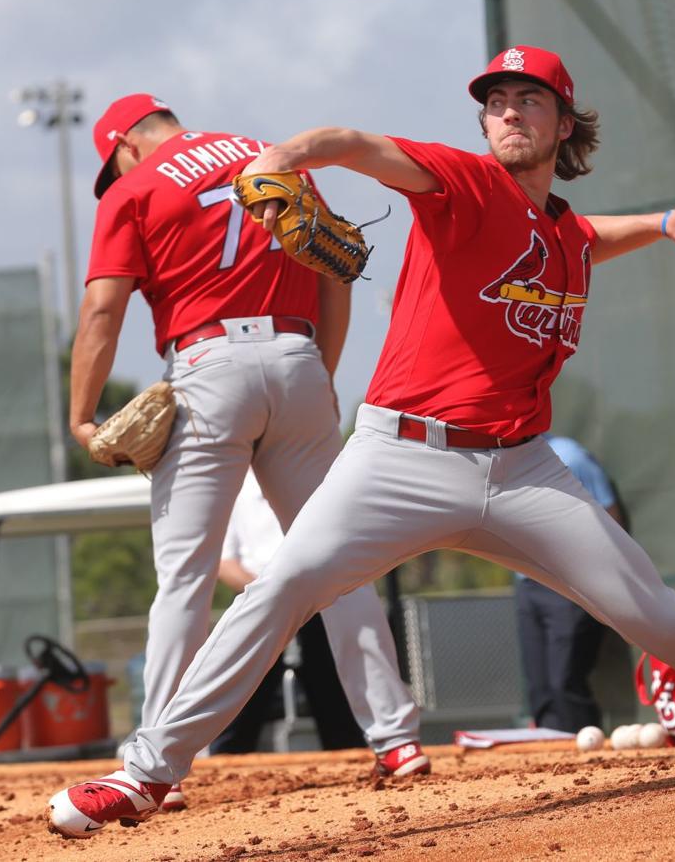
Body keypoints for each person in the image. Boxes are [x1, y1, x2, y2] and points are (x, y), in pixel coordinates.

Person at [49, 47, 675, 839]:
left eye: (528, 100)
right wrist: (281, 158)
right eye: (496, 100)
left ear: (564, 124)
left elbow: (585, 237)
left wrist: (663, 223)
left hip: (522, 467)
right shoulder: (461, 184)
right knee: (282, 585)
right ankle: (145, 771)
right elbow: (356, 141)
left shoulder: (564, 235)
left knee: (654, 612)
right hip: (401, 455)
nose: (508, 112)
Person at [67, 94, 428, 813]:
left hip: (207, 368)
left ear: (126, 147)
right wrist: (316, 373)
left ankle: (157, 760)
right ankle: (396, 737)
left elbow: (104, 310)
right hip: (296, 353)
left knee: (186, 576)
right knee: (340, 560)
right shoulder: (271, 155)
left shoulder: (136, 188)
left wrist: (81, 415)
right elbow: (336, 267)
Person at [210, 471, 363, 754]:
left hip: (318, 602)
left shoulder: (312, 476)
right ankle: (224, 763)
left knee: (332, 690)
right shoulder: (233, 486)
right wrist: (270, 592)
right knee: (242, 694)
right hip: (257, 603)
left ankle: (352, 759)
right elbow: (225, 562)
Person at [515, 435, 626, 732]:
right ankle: (551, 760)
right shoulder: (504, 460)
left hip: (570, 585)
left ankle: (587, 761)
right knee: (539, 687)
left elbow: (610, 516)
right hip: (528, 584)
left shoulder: (569, 455)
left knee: (564, 681)